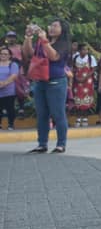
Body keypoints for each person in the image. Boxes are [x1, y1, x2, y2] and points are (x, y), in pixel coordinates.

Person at [23, 19, 72, 153]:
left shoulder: (64, 44)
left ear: (63, 29)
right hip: (40, 82)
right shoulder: (42, 41)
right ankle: (42, 144)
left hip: (56, 83)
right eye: (50, 25)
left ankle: (61, 144)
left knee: (58, 114)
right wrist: (28, 37)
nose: (51, 27)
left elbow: (54, 57)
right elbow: (29, 53)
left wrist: (44, 40)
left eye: (55, 26)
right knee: (42, 114)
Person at [71, 43, 97, 127]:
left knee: (86, 100)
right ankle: (78, 118)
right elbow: (73, 69)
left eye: (86, 49)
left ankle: (85, 118)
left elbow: (93, 69)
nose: (85, 51)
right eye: (83, 49)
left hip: (87, 82)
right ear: (79, 50)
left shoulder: (90, 58)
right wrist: (76, 77)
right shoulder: (75, 58)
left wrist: (86, 77)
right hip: (77, 81)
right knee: (78, 99)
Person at [0, 46, 19, 130]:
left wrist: (3, 83)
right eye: (1, 54)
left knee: (10, 108)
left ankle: (11, 124)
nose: (3, 55)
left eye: (5, 54)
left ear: (9, 55)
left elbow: (14, 76)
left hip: (9, 91)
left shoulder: (13, 64)